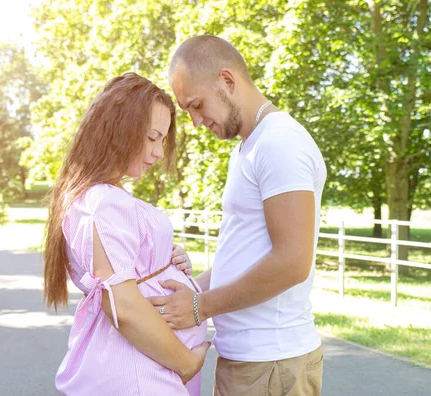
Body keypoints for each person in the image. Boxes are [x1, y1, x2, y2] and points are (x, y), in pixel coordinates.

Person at [150, 35, 326, 395]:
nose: (196, 122)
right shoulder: (250, 146)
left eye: (197, 105)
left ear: (227, 81)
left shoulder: (280, 143)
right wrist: (190, 288)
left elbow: (293, 262)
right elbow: (244, 254)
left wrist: (200, 306)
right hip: (250, 362)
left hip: (271, 364)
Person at [43, 72, 209, 395]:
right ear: (119, 130)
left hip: (146, 369)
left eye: (162, 140)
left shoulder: (99, 197)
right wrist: (187, 363)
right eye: (152, 137)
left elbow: (131, 276)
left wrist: (166, 260)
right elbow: (124, 307)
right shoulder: (103, 202)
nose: (159, 152)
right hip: (141, 375)